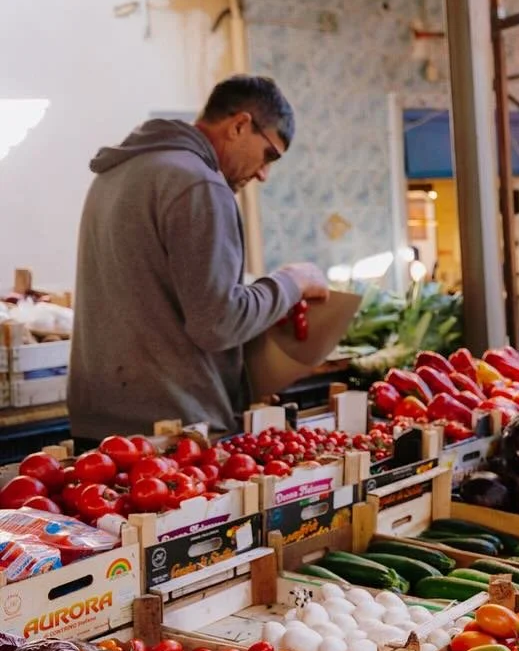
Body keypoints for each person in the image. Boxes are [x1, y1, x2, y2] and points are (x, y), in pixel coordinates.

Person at [69, 75, 329, 444]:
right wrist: (292, 281)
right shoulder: (200, 184)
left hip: (100, 432)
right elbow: (218, 322)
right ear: (240, 125)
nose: (264, 174)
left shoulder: (117, 173)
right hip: (172, 437)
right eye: (269, 154)